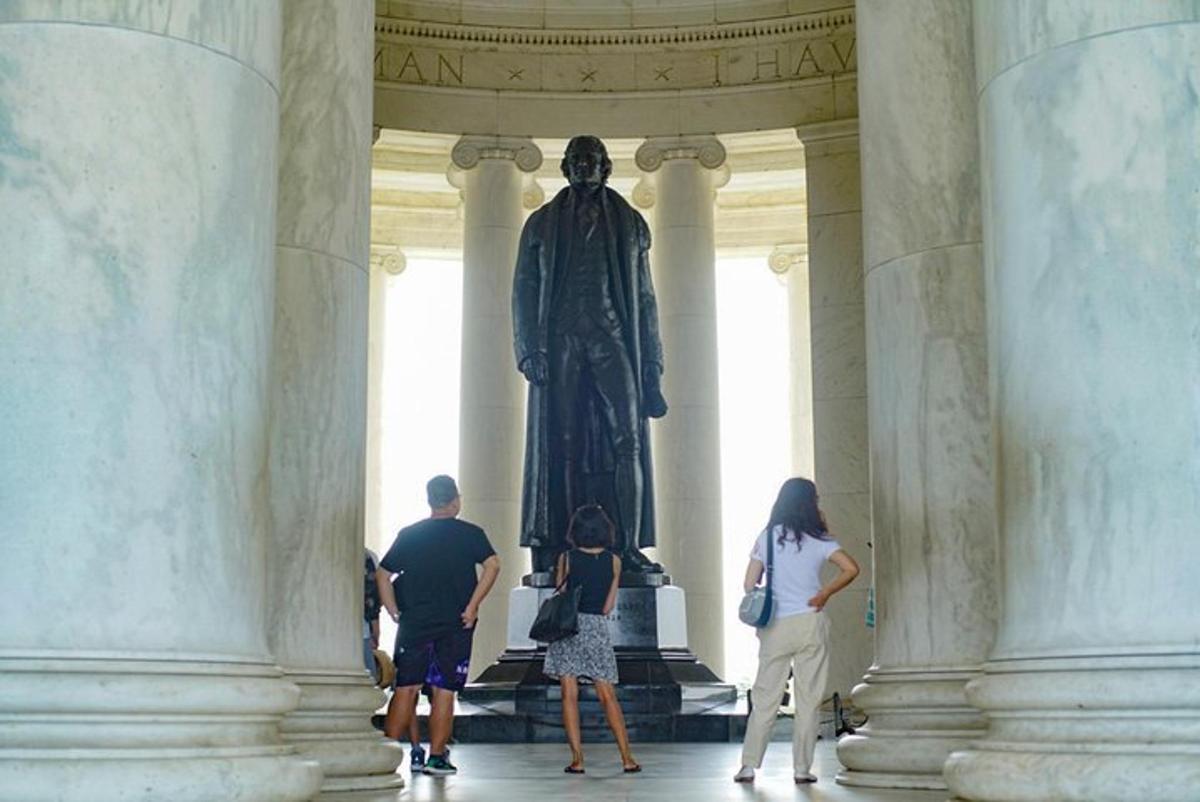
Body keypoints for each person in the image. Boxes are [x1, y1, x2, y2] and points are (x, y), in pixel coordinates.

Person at [512, 134, 668, 576]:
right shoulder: (540, 224)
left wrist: (652, 367)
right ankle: (562, 546)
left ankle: (630, 544)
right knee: (560, 443)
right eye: (576, 161)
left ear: (606, 167)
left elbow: (645, 298)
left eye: (592, 160)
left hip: (613, 335)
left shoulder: (631, 223)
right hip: (558, 337)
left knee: (629, 440)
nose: (584, 167)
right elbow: (523, 290)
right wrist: (528, 350)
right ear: (565, 169)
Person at [733, 478, 860, 785]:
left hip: (775, 625)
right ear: (811, 503)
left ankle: (749, 766)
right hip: (810, 621)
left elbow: (749, 584)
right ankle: (802, 769)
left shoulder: (768, 537)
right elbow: (852, 568)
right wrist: (824, 593)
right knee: (808, 699)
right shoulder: (820, 539)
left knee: (766, 698)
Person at [377, 475, 501, 776]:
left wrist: (394, 611)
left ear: (430, 500)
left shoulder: (410, 534)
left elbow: (383, 573)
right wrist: (472, 606)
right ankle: (436, 757)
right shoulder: (471, 533)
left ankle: (386, 757)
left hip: (414, 622)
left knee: (406, 688)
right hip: (456, 621)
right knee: (445, 690)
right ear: (456, 500)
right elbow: (493, 565)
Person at [542, 504, 640, 774]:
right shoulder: (614, 560)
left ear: (577, 531)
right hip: (596, 627)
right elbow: (608, 607)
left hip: (569, 627)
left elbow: (561, 592)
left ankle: (578, 759)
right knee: (608, 695)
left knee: (569, 694)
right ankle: (627, 758)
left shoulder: (567, 558)